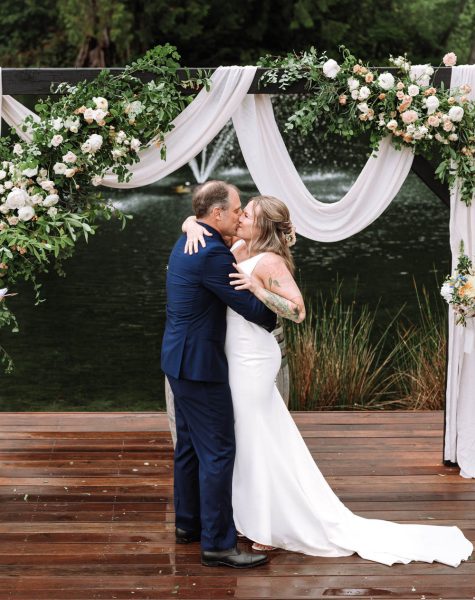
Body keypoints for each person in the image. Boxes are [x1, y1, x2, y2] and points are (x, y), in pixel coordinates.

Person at [182, 193, 473, 567]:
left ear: (263, 226)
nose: (240, 218)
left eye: (248, 215)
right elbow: (200, 223)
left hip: (253, 359)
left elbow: (298, 311)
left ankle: (266, 527)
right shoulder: (236, 246)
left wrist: (258, 289)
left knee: (254, 437)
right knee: (252, 438)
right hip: (234, 357)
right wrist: (190, 222)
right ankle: (253, 516)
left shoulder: (269, 261)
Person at [161, 180, 277, 569]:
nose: (240, 214)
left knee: (190, 447)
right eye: (236, 209)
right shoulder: (211, 253)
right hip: (200, 365)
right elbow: (250, 308)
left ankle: (188, 525)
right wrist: (269, 308)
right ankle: (217, 544)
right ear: (215, 215)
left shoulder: (189, 241)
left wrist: (186, 223)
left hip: (177, 358)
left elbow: (192, 224)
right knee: (218, 451)